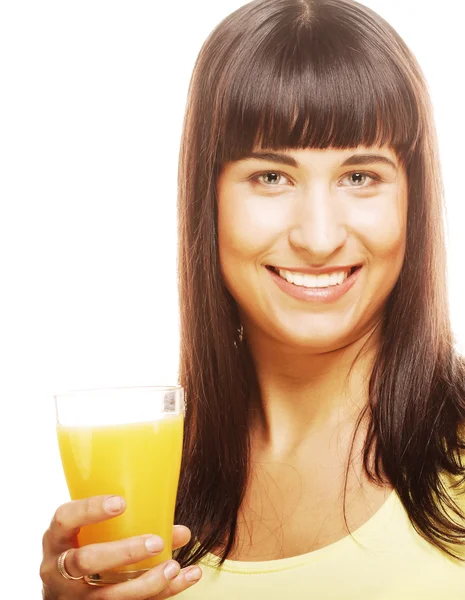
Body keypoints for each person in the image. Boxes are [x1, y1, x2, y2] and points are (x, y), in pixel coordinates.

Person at [40, 0, 465, 597]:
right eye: (271, 177)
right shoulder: (154, 489)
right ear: (207, 201)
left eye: (360, 176)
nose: (318, 238)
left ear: (411, 201)